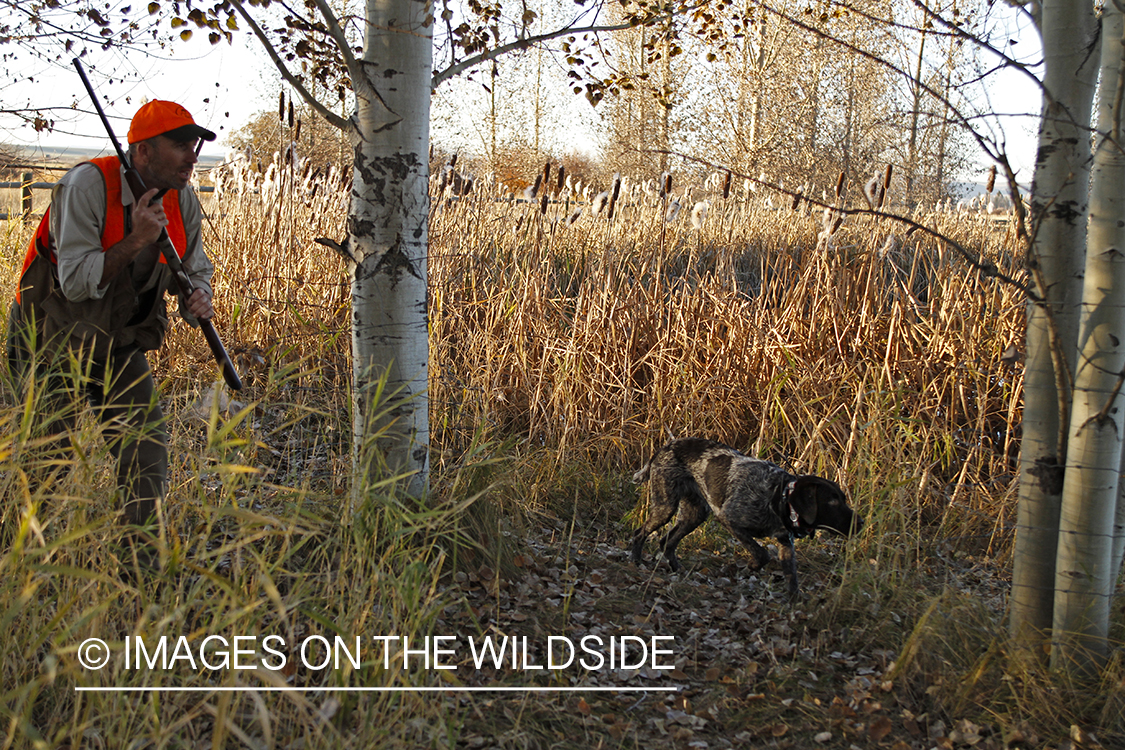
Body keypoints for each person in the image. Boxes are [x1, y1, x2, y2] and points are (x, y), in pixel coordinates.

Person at [5, 100, 217, 563]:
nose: (192, 155)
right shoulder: (87, 186)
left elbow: (197, 268)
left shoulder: (181, 198)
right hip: (50, 336)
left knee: (146, 453)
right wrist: (138, 239)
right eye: (180, 144)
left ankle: (138, 573)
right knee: (43, 460)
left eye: (195, 145)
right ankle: (13, 563)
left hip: (119, 340)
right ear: (141, 153)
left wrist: (197, 296)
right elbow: (78, 285)